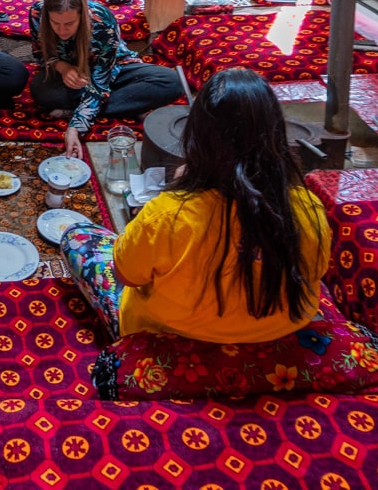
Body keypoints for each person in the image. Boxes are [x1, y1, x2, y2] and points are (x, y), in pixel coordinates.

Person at [60, 67, 331, 343]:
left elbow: (125, 274)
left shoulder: (167, 214)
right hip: (278, 334)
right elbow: (316, 274)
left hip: (171, 338)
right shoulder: (309, 208)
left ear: (197, 136)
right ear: (276, 134)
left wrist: (166, 201)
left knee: (78, 236)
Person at [30, 0, 184, 159]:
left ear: (82, 14)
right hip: (71, 76)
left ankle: (81, 108)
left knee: (172, 82)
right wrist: (63, 68)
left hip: (114, 68)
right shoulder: (37, 13)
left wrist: (74, 128)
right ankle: (127, 105)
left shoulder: (102, 20)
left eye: (70, 23)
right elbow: (41, 55)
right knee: (40, 90)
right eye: (56, 23)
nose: (62, 31)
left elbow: (101, 78)